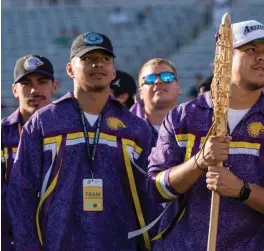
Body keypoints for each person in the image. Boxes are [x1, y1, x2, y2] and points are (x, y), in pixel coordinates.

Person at [147, 20, 264, 250]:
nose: (263, 58)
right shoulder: (183, 118)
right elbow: (156, 189)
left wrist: (242, 190)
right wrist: (198, 162)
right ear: (223, 56)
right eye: (251, 50)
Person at [7, 32, 159, 251]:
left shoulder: (135, 127)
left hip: (120, 243)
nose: (98, 64)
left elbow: (149, 195)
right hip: (57, 244)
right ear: (70, 69)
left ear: (113, 70)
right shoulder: (45, 121)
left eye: (105, 59)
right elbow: (22, 191)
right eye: (87, 58)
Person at [1, 55, 57, 251]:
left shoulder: (71, 131)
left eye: (42, 82)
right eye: (25, 83)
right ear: (14, 90)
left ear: (54, 86)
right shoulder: (1, 135)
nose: (34, 90)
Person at [137, 58, 181, 146]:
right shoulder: (125, 129)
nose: (158, 81)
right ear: (141, 92)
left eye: (167, 77)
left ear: (179, 88)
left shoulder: (197, 128)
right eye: (150, 79)